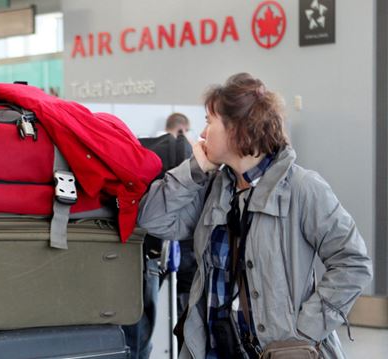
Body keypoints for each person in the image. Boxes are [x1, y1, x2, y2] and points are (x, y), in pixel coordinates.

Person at [137, 73, 372, 359]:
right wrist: (194, 169)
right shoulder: (213, 188)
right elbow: (152, 219)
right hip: (213, 349)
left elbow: (354, 263)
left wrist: (304, 331)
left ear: (237, 130)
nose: (201, 133)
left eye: (210, 122)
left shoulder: (303, 188)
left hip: (280, 351)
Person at [122, 113, 193, 359]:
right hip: (154, 252)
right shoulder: (182, 155)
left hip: (130, 250)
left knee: (132, 331)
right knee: (141, 336)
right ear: (183, 129)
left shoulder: (140, 148)